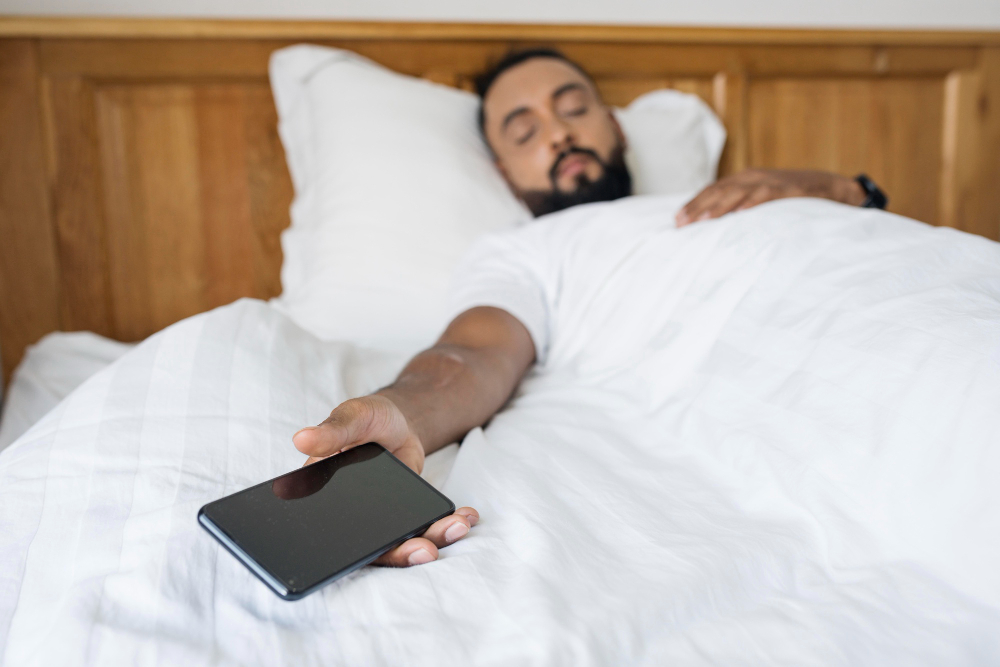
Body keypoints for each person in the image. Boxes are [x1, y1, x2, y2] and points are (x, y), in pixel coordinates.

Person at [291, 48, 887, 568]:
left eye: (574, 109)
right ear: (504, 173)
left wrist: (836, 189)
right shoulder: (524, 251)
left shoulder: (744, 192)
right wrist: (398, 411)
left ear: (617, 128)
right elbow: (470, 354)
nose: (559, 134)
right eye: (525, 133)